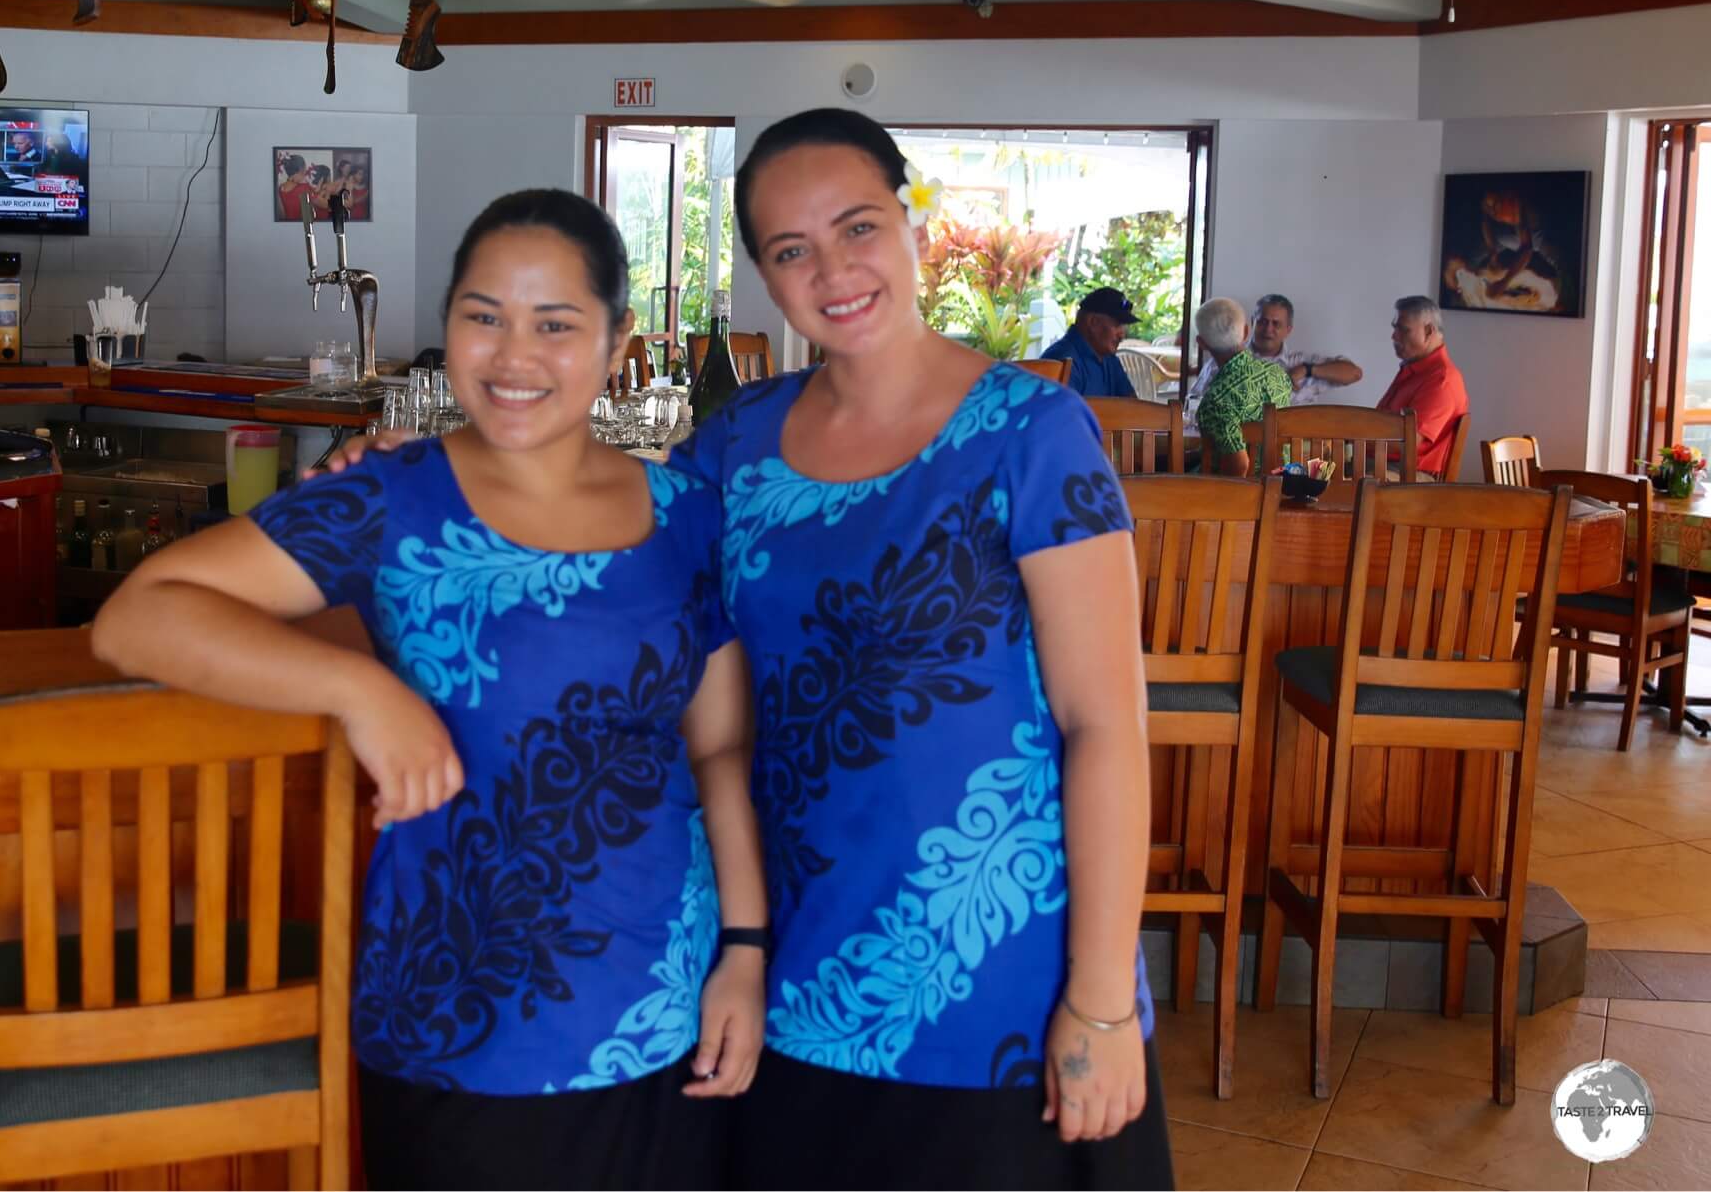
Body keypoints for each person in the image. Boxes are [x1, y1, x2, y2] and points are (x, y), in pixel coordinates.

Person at [319, 111, 1175, 1191]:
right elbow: (592, 508)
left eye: (856, 226)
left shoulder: (1033, 432)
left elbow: (1105, 724)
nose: (831, 269)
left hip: (994, 984)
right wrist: (423, 462)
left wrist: (1099, 997)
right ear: (765, 275)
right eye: (788, 249)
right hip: (792, 975)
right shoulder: (737, 443)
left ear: (913, 221)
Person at [92, 189, 767, 1190]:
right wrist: (362, 690)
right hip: (455, 1008)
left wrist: (745, 950)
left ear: (618, 341)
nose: (513, 355)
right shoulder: (390, 498)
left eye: (555, 323)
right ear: (447, 322)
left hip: (661, 998)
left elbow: (716, 749)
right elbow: (138, 616)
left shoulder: (685, 517)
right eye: (482, 315)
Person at [1183, 293, 1361, 432]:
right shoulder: (1223, 360)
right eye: (1262, 322)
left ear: (1288, 330)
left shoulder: (1298, 361)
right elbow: (1193, 406)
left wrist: (1307, 369)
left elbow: (1353, 373)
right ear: (1251, 325)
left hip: (1285, 453)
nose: (1268, 329)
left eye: (1276, 324)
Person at [1191, 296, 1291, 478]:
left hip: (1231, 495)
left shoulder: (1215, 401)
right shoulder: (1279, 375)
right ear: (1246, 332)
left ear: (1202, 343)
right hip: (1279, 485)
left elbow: (1239, 465)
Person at [1377, 295, 1469, 479]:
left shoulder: (1442, 380)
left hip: (1413, 474)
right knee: (1317, 469)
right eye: (1395, 329)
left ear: (1428, 331)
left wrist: (1349, 439)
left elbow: (1408, 443)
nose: (1394, 336)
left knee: (1334, 476)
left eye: (1403, 330)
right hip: (1384, 463)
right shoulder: (1415, 369)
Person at [1038, 287, 1139, 398]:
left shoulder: (1108, 358)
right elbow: (1065, 413)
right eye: (1117, 325)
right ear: (1093, 322)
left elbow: (1132, 403)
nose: (1122, 335)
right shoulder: (1061, 360)